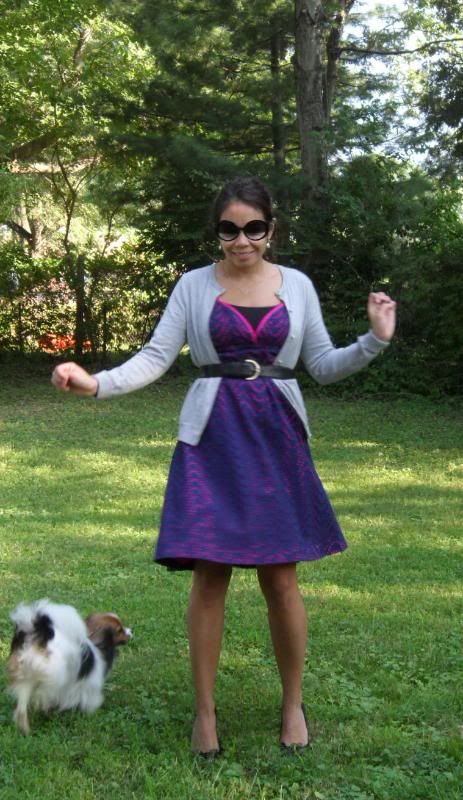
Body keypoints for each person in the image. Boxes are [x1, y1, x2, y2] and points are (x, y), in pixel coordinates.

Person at [52, 176, 396, 757]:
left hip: (277, 439)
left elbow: (322, 364)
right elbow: (155, 357)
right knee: (210, 577)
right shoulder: (192, 286)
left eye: (254, 228)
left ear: (270, 229)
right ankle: (205, 713)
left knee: (280, 578)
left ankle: (293, 704)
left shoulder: (298, 286)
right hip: (211, 439)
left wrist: (374, 340)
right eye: (230, 229)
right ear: (217, 232)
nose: (242, 240)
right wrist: (95, 384)